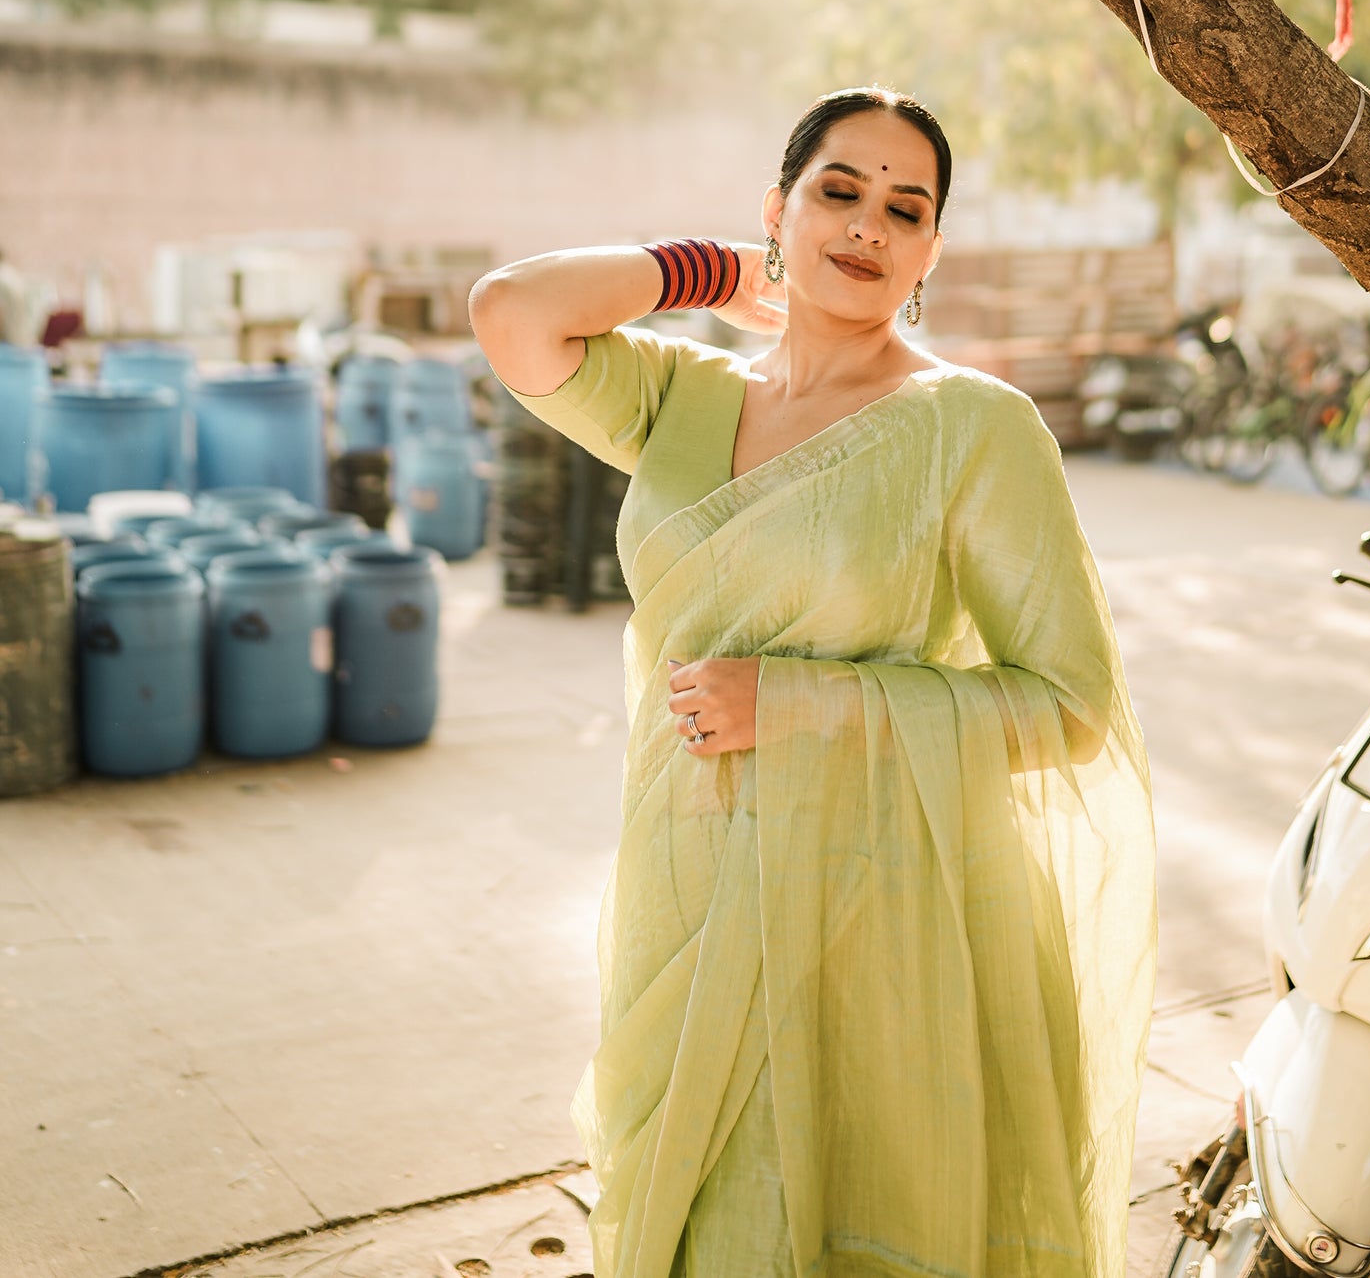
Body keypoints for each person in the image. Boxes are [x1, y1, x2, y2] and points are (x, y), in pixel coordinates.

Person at [471, 87, 1156, 1278]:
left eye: (905, 209)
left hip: (884, 918)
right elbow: (511, 311)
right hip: (685, 883)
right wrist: (707, 270)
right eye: (836, 192)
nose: (867, 228)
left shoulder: (969, 427)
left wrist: (794, 703)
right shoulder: (683, 398)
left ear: (931, 250)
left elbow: (1070, 706)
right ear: (775, 210)